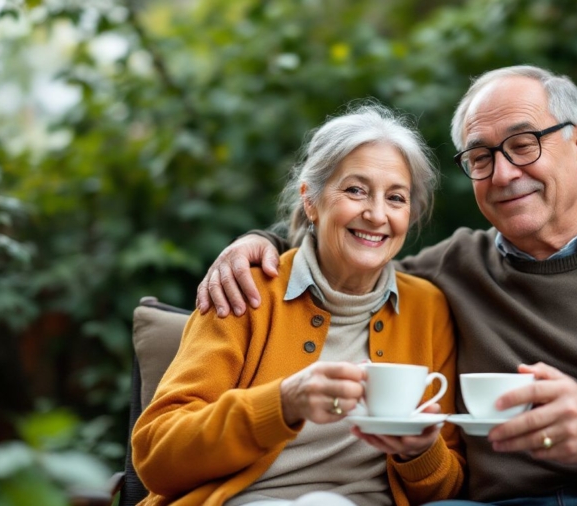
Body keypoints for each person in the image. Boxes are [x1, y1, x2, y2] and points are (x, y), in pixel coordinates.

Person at [195, 66, 577, 505]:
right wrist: (264, 245)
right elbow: (353, 253)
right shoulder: (451, 269)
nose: (503, 173)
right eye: (480, 156)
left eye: (523, 144)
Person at [132, 104, 464, 506]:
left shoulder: (427, 308)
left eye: (396, 198)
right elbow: (155, 455)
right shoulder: (245, 288)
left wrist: (420, 452)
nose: (377, 214)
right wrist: (283, 402)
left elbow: (449, 489)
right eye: (356, 190)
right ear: (311, 200)